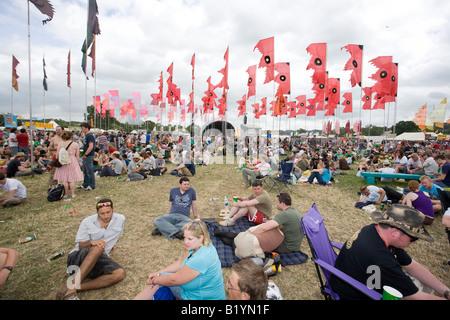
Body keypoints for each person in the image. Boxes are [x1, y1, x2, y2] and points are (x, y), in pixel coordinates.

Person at [329, 204, 450, 300]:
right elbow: (415, 296)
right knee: (418, 286)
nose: (414, 243)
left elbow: (412, 266)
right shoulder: (382, 260)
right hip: (360, 294)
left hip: (355, 281)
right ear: (394, 233)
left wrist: (446, 292)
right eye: (413, 238)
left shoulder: (373, 230)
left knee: (420, 282)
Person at [134, 220, 226, 300]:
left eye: (190, 238)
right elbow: (181, 262)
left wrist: (156, 280)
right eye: (185, 237)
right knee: (161, 278)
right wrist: (159, 273)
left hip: (197, 298)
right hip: (195, 292)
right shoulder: (201, 244)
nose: (185, 241)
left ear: (201, 238)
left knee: (157, 283)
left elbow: (174, 280)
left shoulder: (201, 257)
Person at [54, 199, 126, 300]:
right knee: (98, 247)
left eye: (108, 212)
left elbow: (116, 235)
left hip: (98, 259)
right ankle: (73, 287)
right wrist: (92, 242)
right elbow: (81, 246)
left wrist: (111, 245)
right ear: (97, 213)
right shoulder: (87, 222)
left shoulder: (120, 219)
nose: (105, 216)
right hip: (77, 259)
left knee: (120, 273)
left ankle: (73, 287)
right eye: (102, 213)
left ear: (113, 209)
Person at [53, 131, 83, 198]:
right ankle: (72, 194)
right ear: (71, 136)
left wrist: (58, 160)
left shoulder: (60, 143)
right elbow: (77, 155)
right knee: (72, 179)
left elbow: (57, 154)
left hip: (63, 161)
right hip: (72, 161)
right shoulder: (75, 144)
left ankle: (66, 194)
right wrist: (77, 162)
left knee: (64, 179)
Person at [79, 122, 96, 191]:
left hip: (89, 155)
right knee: (85, 170)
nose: (81, 130)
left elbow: (91, 146)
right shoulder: (86, 136)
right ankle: (85, 183)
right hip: (86, 155)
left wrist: (85, 154)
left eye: (82, 128)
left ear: (86, 128)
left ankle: (92, 185)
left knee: (89, 170)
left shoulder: (90, 136)